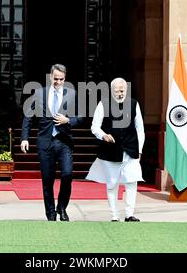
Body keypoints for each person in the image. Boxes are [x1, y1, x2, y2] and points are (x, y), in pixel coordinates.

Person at [21, 64, 83, 221]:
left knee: (67, 174)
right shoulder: (39, 93)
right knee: (47, 180)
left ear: (65, 78)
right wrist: (24, 138)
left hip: (64, 142)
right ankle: (50, 213)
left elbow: (81, 117)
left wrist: (68, 120)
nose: (58, 82)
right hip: (45, 142)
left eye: (61, 79)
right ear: (50, 77)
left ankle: (62, 208)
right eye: (55, 79)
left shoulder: (72, 94)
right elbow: (28, 116)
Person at [86, 78, 145, 222]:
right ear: (111, 90)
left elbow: (140, 129)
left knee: (132, 181)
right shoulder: (103, 104)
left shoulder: (133, 104)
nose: (120, 93)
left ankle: (129, 214)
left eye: (122, 90)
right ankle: (114, 215)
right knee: (112, 183)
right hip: (110, 150)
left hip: (130, 149)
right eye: (117, 90)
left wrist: (140, 149)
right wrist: (103, 135)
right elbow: (94, 127)